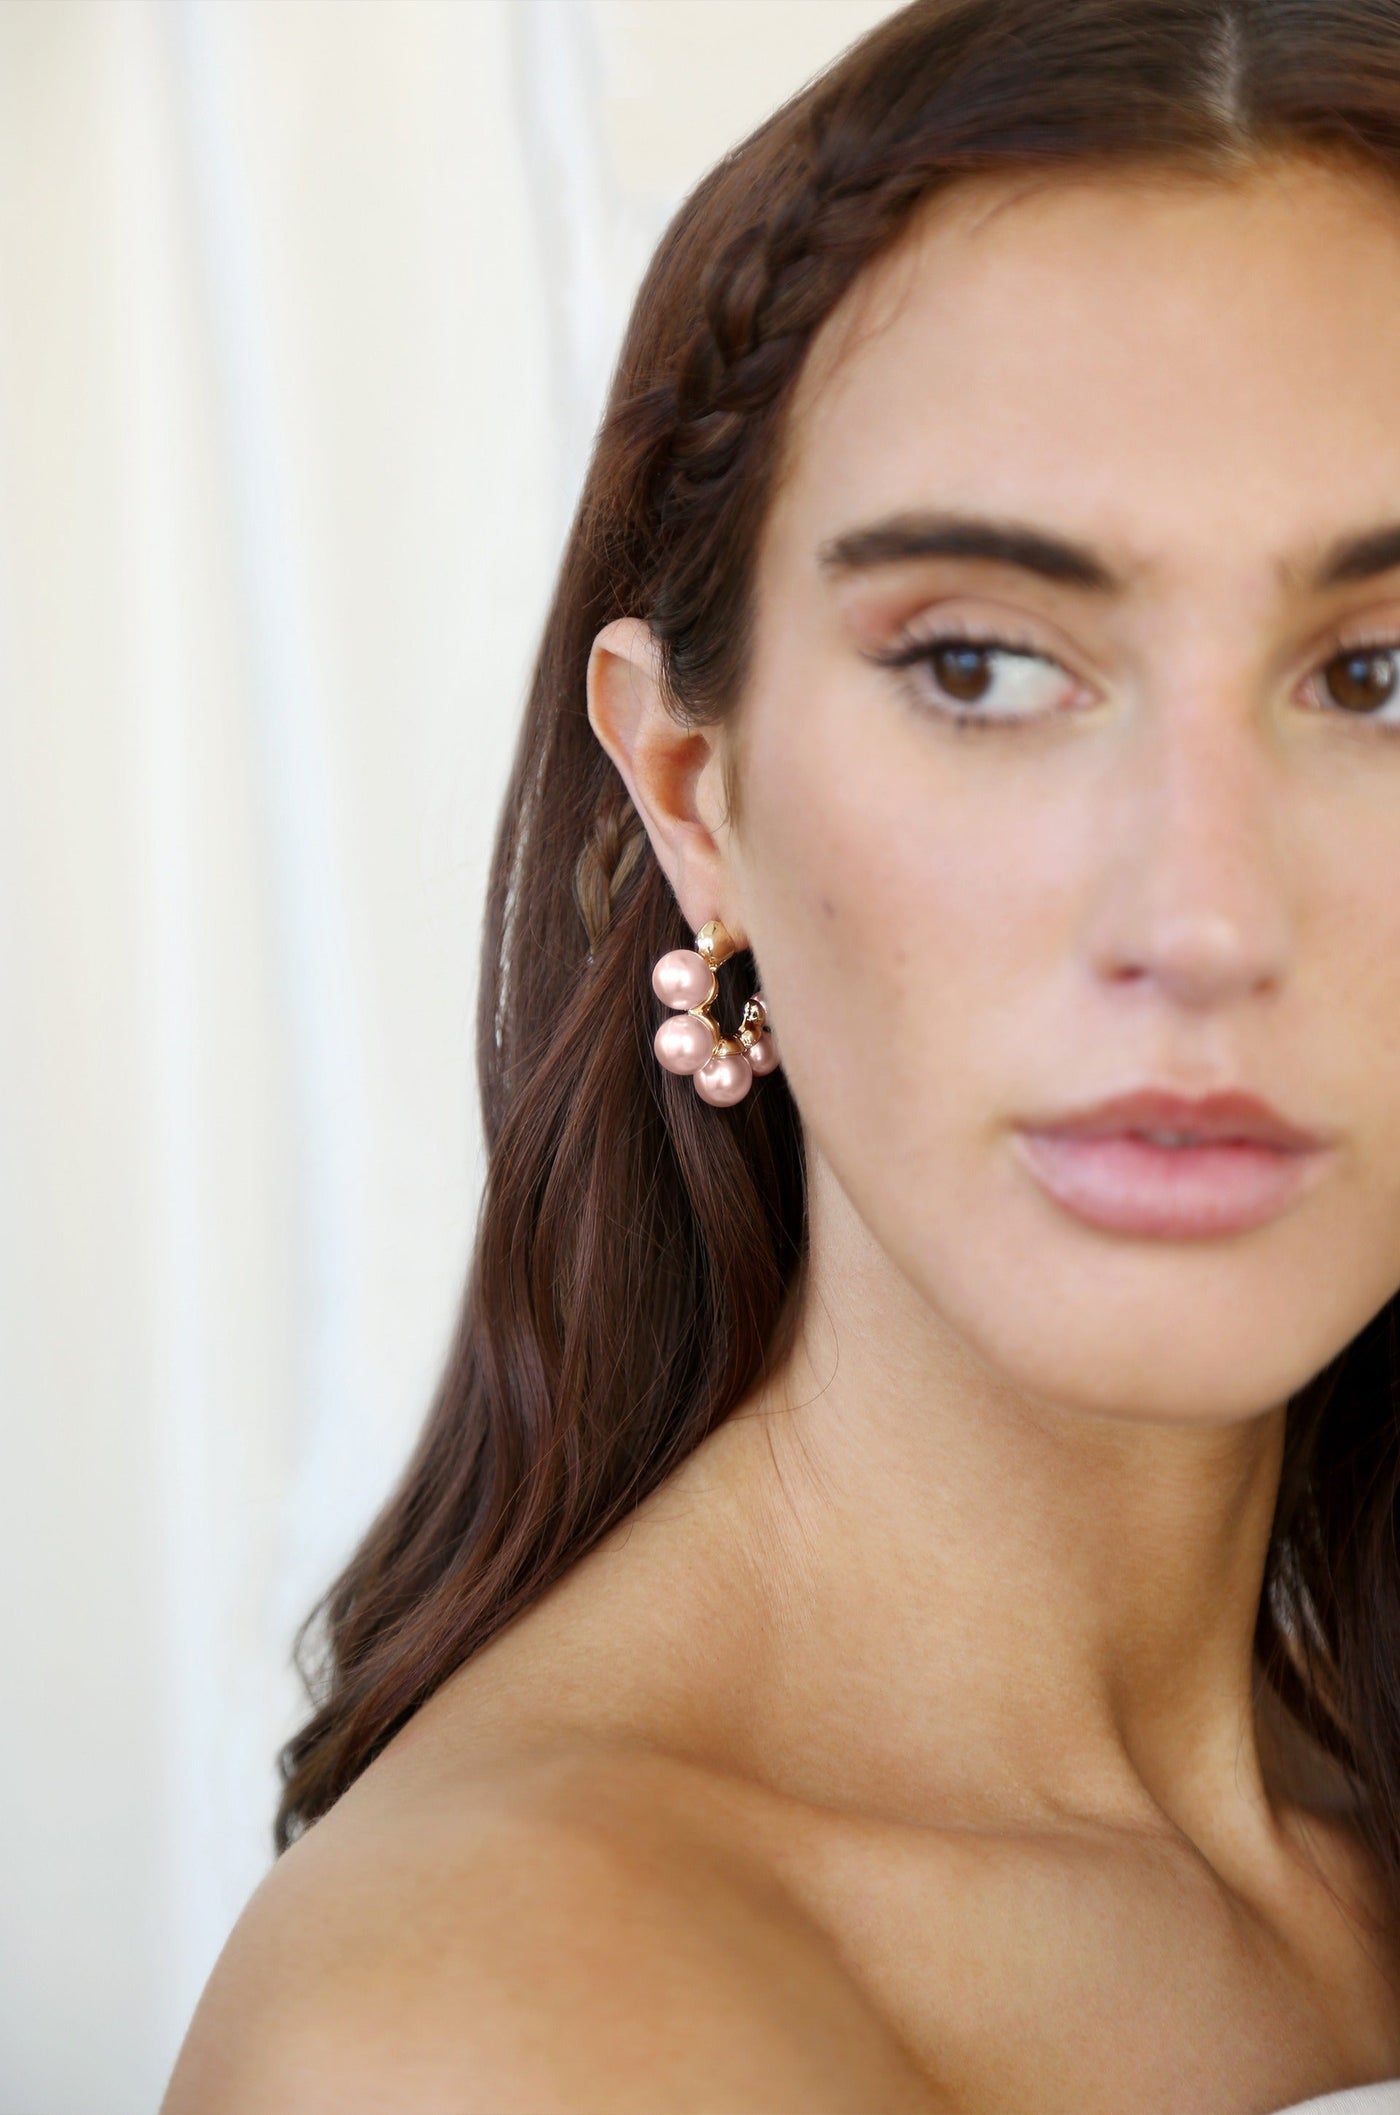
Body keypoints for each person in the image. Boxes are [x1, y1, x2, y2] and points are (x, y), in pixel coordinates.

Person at [161, 1, 1400, 2107]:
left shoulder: (1333, 1781)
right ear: (689, 791)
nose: (1201, 918)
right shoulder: (489, 2030)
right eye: (980, 665)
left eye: (1377, 679)